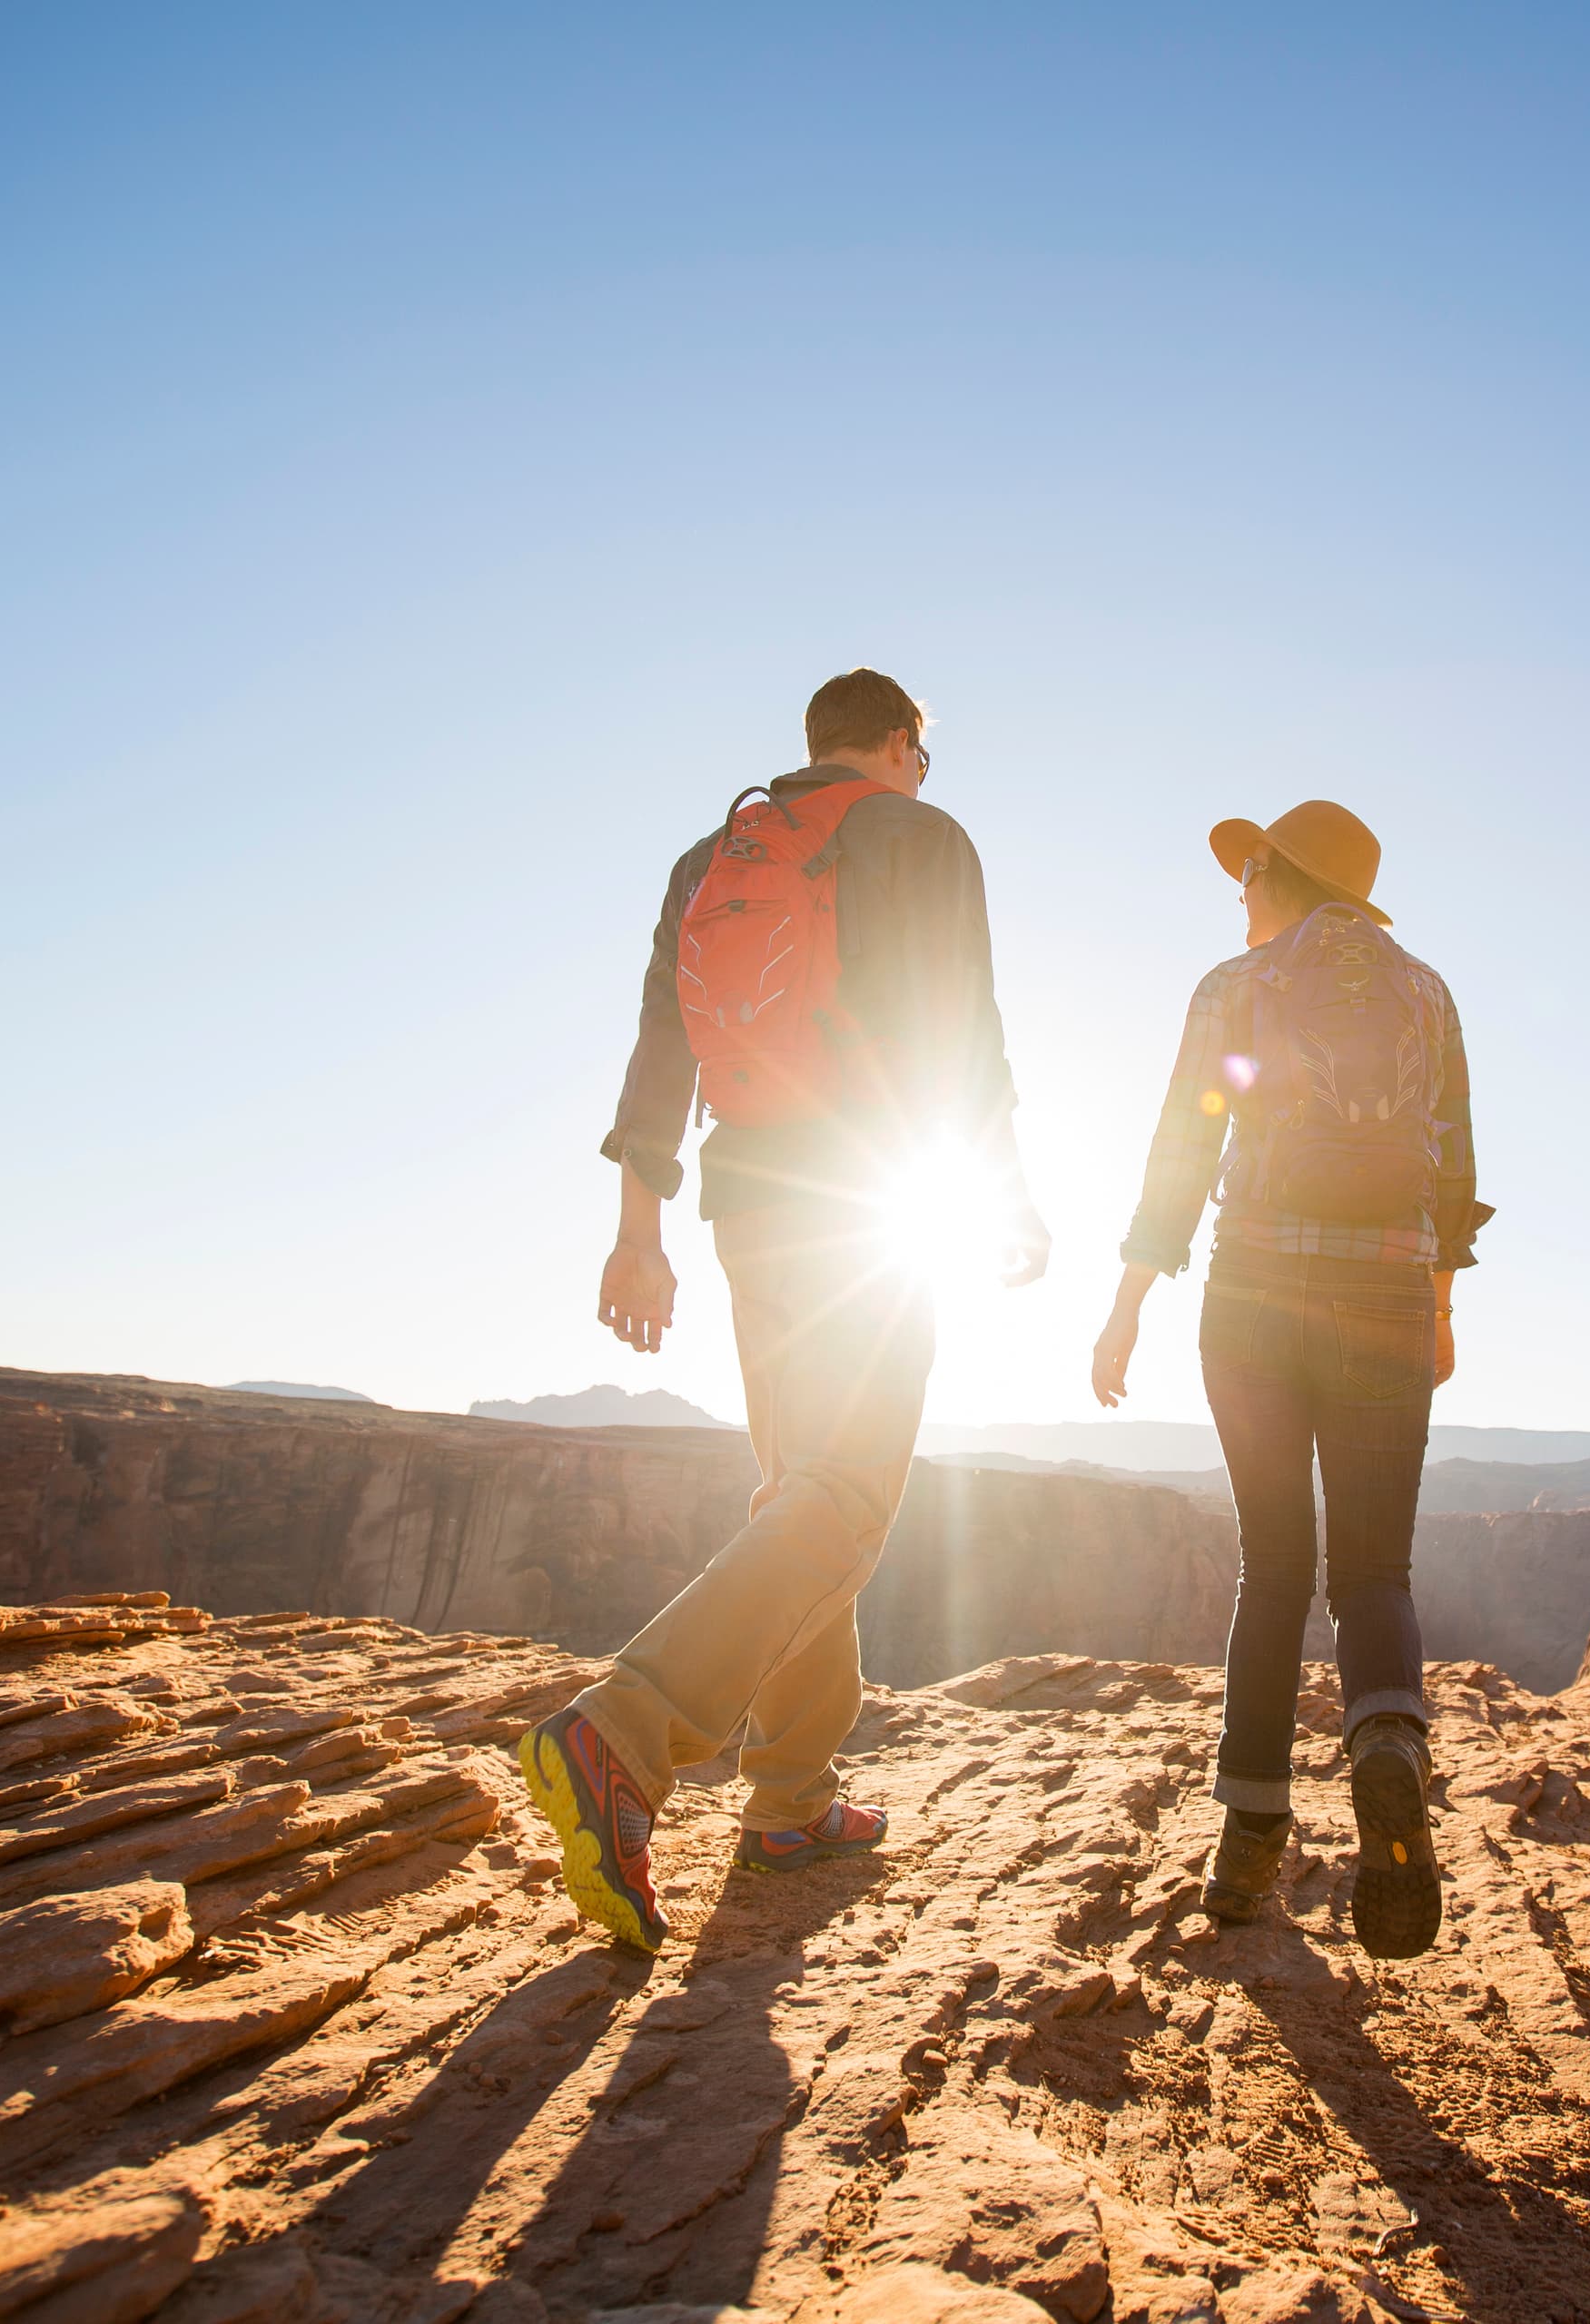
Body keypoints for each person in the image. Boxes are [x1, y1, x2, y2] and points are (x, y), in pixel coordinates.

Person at [524, 668, 1048, 1952]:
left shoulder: (719, 852)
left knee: (804, 1489)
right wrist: (1006, 1195)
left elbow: (662, 1047)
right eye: (923, 754)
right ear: (898, 748)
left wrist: (636, 1238)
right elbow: (963, 1031)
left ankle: (791, 1800)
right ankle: (623, 1737)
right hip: (871, 1197)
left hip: (745, 1200)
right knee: (847, 1496)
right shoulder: (924, 836)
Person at [1089, 800, 1487, 1959]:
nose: (1240, 886)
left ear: (1283, 876)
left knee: (1273, 1568)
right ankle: (1386, 1751)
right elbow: (1453, 1165)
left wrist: (1127, 1304)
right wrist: (1441, 1308)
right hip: (1388, 1302)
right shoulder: (1430, 992)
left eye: (1250, 867)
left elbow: (1182, 1148)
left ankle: (1248, 1841)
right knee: (1375, 1569)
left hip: (1253, 1301)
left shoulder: (1232, 984)